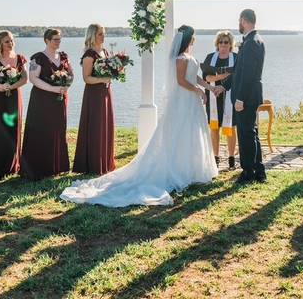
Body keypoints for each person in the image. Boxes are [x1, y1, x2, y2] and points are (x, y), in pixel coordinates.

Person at [60, 25, 220, 206]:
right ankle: (179, 169)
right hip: (184, 100)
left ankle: (194, 168)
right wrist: (198, 91)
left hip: (192, 101)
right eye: (194, 36)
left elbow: (195, 77)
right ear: (189, 38)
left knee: (192, 133)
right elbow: (182, 81)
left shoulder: (189, 57)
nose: (194, 39)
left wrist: (209, 88)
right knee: (180, 133)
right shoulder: (180, 58)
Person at [22, 28, 72, 179]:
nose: (58, 42)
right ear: (47, 40)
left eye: (59, 39)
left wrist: (66, 85)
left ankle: (57, 165)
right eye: (55, 39)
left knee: (57, 130)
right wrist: (52, 88)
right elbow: (33, 78)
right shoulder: (37, 58)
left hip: (59, 99)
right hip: (42, 100)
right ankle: (38, 168)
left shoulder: (64, 56)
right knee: (42, 131)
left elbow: (71, 74)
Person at [0, 30, 28, 179]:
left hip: (14, 97)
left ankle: (11, 164)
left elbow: (24, 79)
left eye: (12, 40)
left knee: (12, 128)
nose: (10, 43)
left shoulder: (20, 58)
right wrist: (1, 87)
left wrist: (11, 87)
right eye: (7, 41)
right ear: (0, 43)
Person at [72, 24, 116, 175]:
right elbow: (86, 78)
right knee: (95, 126)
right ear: (92, 35)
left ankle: (106, 160)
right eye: (99, 34)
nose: (103, 37)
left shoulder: (105, 51)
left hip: (105, 92)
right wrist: (103, 79)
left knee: (106, 124)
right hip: (94, 95)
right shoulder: (89, 54)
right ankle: (94, 163)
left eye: (103, 34)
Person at [232, 9, 267, 184]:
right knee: (252, 133)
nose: (239, 23)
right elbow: (239, 71)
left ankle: (248, 172)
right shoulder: (256, 40)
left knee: (245, 134)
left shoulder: (251, 42)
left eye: (239, 20)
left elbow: (248, 73)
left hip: (246, 96)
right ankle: (259, 170)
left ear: (244, 20)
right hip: (251, 95)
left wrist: (240, 98)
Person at [201, 30, 237, 169]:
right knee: (214, 127)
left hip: (230, 96)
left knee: (230, 128)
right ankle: (215, 158)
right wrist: (222, 77)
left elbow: (237, 77)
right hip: (213, 95)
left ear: (230, 44)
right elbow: (206, 77)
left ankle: (231, 158)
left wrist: (222, 83)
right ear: (217, 43)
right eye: (220, 42)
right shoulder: (210, 57)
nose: (223, 44)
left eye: (226, 42)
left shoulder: (236, 57)